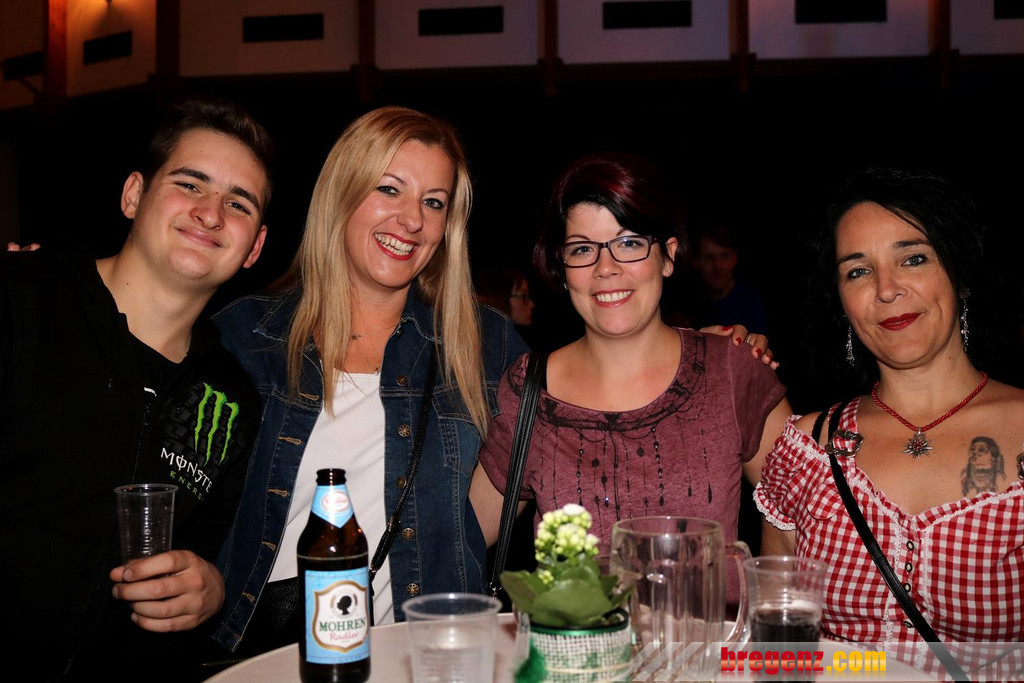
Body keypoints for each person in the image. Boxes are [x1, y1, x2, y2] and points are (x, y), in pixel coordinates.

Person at [208, 106, 531, 660]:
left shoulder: (484, 343)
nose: (413, 220)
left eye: (434, 202)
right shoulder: (245, 335)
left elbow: (545, 445)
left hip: (423, 655)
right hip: (262, 653)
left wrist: (448, 538)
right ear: (342, 192)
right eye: (389, 189)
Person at [0, 94, 272, 680]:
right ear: (133, 195)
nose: (210, 213)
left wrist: (209, 587)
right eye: (190, 184)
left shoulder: (234, 402)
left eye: (238, 203)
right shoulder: (20, 300)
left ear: (254, 247)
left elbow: (207, 552)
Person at [469, 152, 791, 591]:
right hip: (575, 638)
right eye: (583, 249)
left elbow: (801, 522)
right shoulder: (529, 391)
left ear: (668, 256)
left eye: (629, 243)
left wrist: (768, 622)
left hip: (703, 637)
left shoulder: (731, 371)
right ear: (562, 269)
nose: (606, 269)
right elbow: (461, 536)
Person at [755, 167, 1024, 680]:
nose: (886, 289)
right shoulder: (806, 449)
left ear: (961, 273)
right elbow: (780, 657)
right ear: (841, 301)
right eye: (858, 271)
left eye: (913, 259)